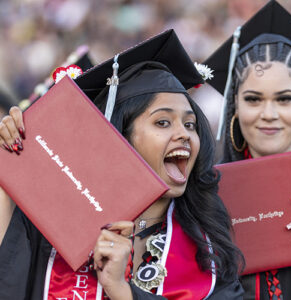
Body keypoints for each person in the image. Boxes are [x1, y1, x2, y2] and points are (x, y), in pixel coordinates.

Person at [0, 30, 244, 299]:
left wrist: (121, 290)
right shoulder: (49, 231)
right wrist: (8, 159)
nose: (184, 134)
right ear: (119, 136)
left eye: (190, 125)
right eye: (163, 122)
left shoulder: (208, 252)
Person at [204, 1, 291, 299]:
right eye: (254, 99)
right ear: (234, 106)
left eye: (284, 99)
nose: (268, 113)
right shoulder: (203, 197)